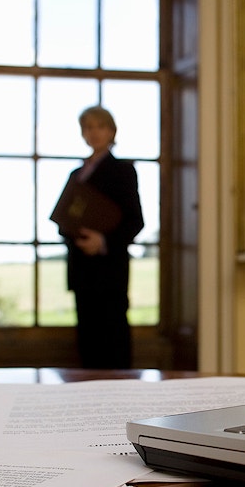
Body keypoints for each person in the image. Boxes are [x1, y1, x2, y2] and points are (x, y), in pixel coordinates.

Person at [59, 106, 144, 368]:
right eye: (88, 127)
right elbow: (64, 219)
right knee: (87, 338)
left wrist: (103, 242)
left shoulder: (122, 171)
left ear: (111, 131)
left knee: (113, 335)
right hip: (82, 268)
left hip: (109, 271)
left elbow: (135, 221)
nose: (94, 133)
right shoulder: (76, 174)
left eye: (100, 126)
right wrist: (77, 237)